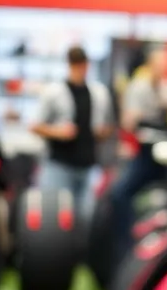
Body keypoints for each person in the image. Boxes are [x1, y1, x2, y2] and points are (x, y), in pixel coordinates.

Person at [109, 47, 167, 261]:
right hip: (146, 153)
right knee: (119, 194)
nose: (164, 69)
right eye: (161, 65)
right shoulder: (138, 88)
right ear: (151, 65)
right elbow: (128, 123)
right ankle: (127, 245)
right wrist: (142, 119)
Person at [31, 46, 112, 213]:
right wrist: (58, 132)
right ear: (69, 65)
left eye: (82, 65)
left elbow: (108, 126)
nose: (80, 69)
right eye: (76, 65)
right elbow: (35, 126)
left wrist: (101, 132)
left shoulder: (98, 93)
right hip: (59, 164)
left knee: (85, 217)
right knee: (56, 215)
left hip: (87, 165)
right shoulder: (54, 92)